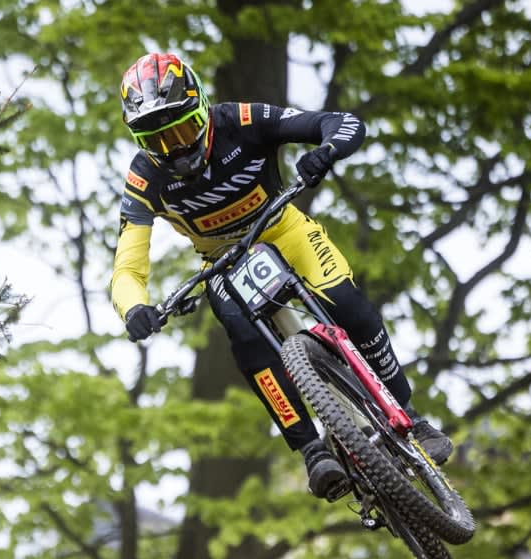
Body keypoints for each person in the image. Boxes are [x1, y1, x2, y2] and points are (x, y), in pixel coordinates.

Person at [109, 52, 452, 500]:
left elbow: (340, 123)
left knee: (348, 306)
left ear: (202, 109)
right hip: (222, 261)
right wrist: (134, 308)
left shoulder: (241, 120)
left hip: (282, 229)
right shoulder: (144, 176)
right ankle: (313, 451)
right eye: (158, 140)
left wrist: (326, 151)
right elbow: (127, 265)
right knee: (245, 339)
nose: (175, 148)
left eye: (182, 130)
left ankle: (412, 417)